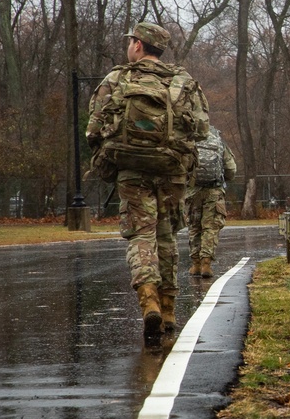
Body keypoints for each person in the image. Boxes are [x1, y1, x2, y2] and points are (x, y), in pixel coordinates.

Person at [86, 22, 209, 342]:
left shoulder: (117, 78)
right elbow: (202, 130)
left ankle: (149, 300)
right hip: (172, 171)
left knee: (141, 235)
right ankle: (168, 310)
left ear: (138, 46)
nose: (129, 46)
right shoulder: (183, 81)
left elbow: (93, 129)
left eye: (131, 42)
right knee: (167, 236)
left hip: (132, 172)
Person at [185, 127, 237, 278]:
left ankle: (195, 264)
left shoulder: (189, 139)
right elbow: (231, 169)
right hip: (214, 191)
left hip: (192, 190)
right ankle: (206, 263)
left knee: (194, 227)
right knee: (210, 227)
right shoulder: (218, 140)